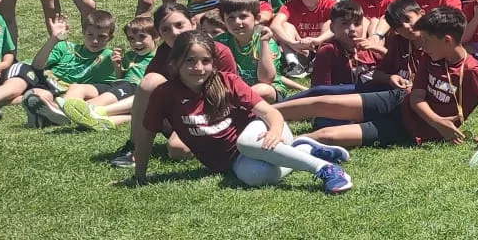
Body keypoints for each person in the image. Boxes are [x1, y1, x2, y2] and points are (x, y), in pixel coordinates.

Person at [128, 31, 352, 193]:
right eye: (190, 60)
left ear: (214, 64)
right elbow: (146, 135)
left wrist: (275, 131)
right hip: (233, 161)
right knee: (255, 177)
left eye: (205, 61)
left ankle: (325, 169)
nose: (198, 67)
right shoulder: (164, 94)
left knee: (246, 142)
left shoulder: (227, 82)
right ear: (175, 63)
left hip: (263, 134)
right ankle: (303, 149)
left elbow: (270, 112)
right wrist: (140, 176)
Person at [277, 5, 478, 150]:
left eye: (426, 40)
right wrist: (439, 122)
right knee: (324, 103)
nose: (421, 45)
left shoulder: (473, 71)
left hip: (408, 131)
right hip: (396, 100)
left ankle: (275, 143)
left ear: (446, 40)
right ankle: (262, 113)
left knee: (327, 135)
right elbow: (416, 98)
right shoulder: (430, 56)